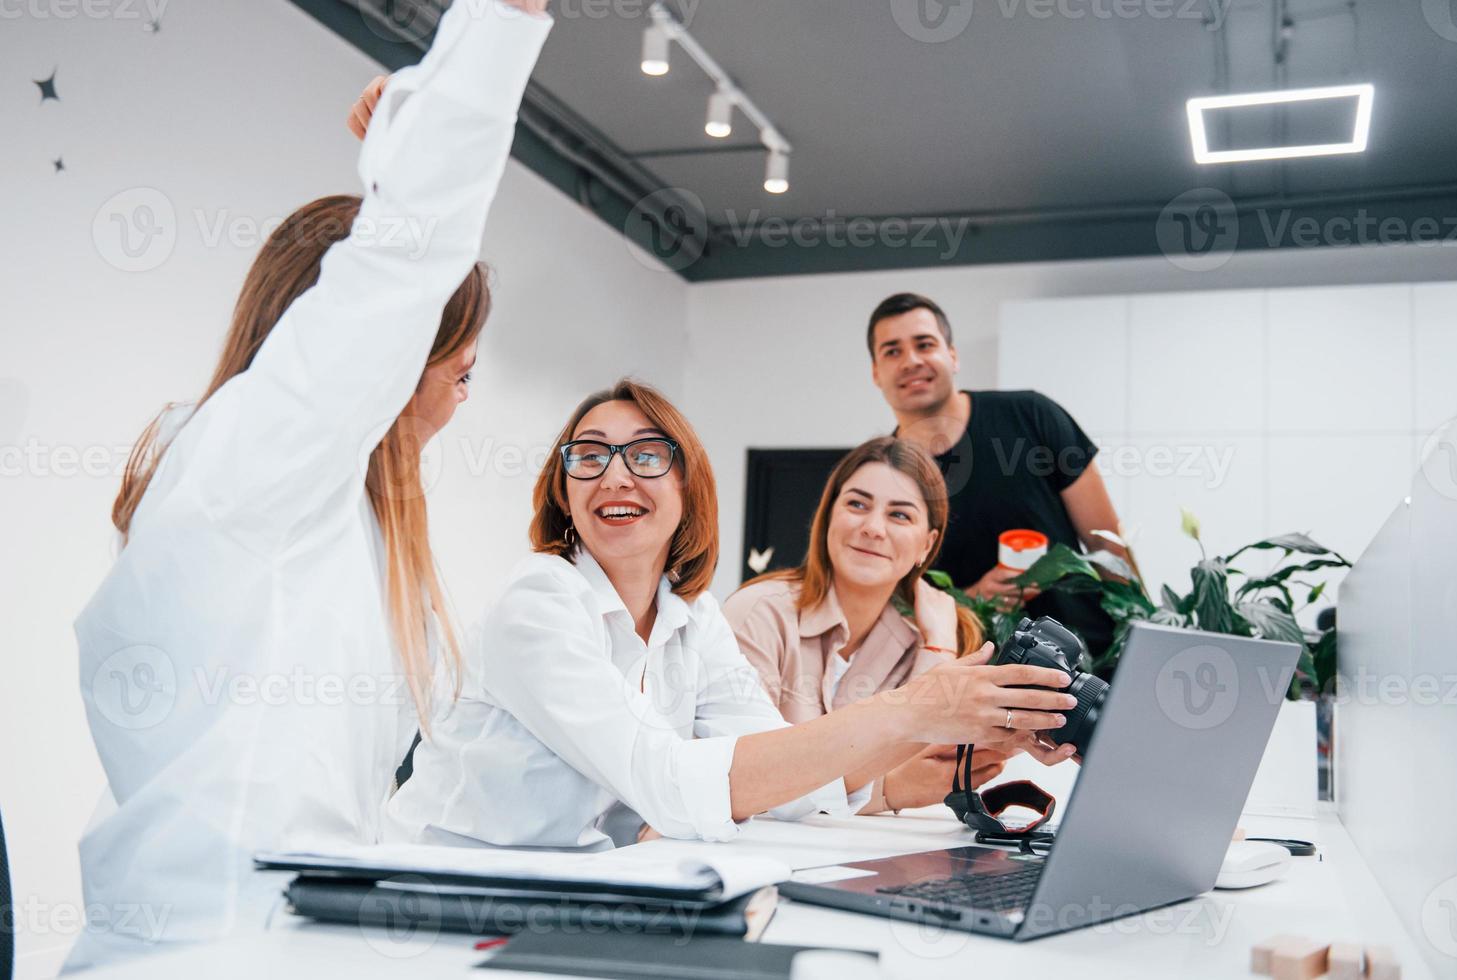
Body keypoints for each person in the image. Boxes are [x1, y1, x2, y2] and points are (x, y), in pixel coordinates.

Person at [69, 1, 553, 967]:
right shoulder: (253, 462)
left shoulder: (335, 517)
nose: (462, 401)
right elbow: (396, 272)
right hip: (213, 953)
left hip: (300, 935)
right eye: (457, 372)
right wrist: (495, 31)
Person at [386, 381, 1077, 849]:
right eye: (589, 457)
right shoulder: (536, 604)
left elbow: (777, 774)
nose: (615, 476)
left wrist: (954, 717)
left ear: (687, 486)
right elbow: (666, 782)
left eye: (647, 456)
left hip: (594, 888)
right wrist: (914, 711)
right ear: (564, 492)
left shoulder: (692, 615)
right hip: (457, 895)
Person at [726, 437, 1043, 814]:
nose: (873, 528)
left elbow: (926, 761)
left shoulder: (926, 636)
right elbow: (747, 786)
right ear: (829, 516)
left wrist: (938, 647)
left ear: (927, 545)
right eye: (857, 504)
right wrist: (888, 791)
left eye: (899, 515)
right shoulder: (758, 615)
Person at [867, 292, 1127, 658]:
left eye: (924, 344)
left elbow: (1109, 547)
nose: (911, 360)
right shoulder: (882, 476)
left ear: (952, 356)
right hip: (978, 685)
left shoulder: (1032, 416)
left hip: (1092, 663)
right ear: (876, 372)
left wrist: (1141, 637)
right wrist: (972, 600)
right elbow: (890, 608)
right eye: (892, 351)